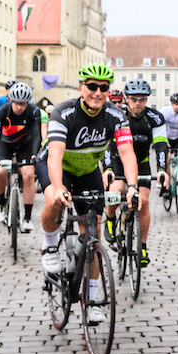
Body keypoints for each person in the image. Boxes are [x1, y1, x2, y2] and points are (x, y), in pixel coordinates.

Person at [39, 65, 139, 325]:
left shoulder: (116, 116)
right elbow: (55, 155)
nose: (97, 92)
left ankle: (93, 300)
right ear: (81, 87)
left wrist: (132, 187)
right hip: (57, 166)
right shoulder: (64, 112)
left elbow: (127, 153)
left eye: (103, 88)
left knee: (92, 234)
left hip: (87, 172)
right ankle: (49, 244)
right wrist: (59, 186)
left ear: (108, 91)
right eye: (92, 86)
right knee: (53, 199)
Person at [0, 82, 44, 231]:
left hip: (25, 146)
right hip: (5, 144)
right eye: (17, 104)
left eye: (23, 104)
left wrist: (35, 155)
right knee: (0, 171)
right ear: (11, 101)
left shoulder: (34, 112)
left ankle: (27, 217)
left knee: (28, 174)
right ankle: (1, 203)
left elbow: (37, 136)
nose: (20, 107)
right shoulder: (2, 111)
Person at [122, 79, 164, 265]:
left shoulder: (155, 117)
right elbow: (108, 146)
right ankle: (114, 223)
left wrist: (162, 169)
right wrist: (107, 169)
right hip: (119, 163)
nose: (138, 103)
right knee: (117, 192)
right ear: (126, 99)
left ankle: (143, 246)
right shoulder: (119, 116)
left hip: (143, 164)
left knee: (144, 202)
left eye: (142, 99)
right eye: (133, 99)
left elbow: (161, 145)